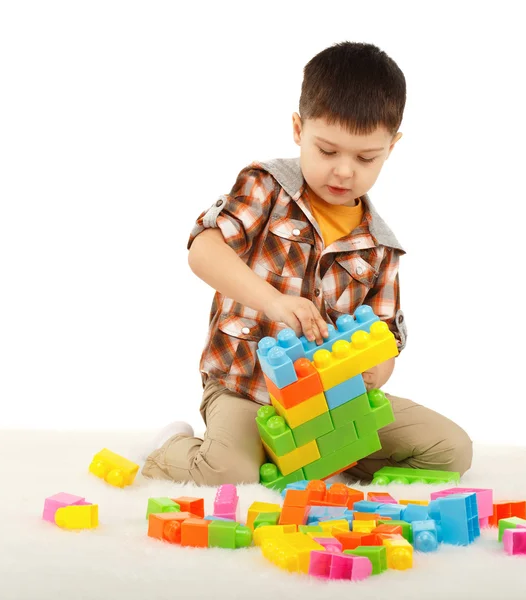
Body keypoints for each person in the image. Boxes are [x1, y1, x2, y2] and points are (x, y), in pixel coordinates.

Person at [140, 41, 473, 485]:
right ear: (298, 129)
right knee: (229, 472)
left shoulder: (381, 248)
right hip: (247, 390)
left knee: (451, 450)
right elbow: (203, 250)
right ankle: (175, 450)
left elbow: (386, 336)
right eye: (327, 150)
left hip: (331, 404)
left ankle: (307, 458)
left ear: (391, 147)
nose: (343, 171)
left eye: (365, 157)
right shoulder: (267, 186)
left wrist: (378, 368)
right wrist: (275, 303)